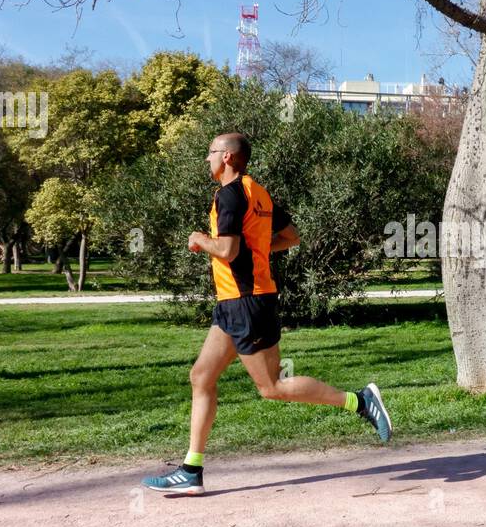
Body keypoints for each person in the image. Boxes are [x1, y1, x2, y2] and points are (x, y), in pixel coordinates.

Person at [142, 132, 392, 496]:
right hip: (233, 302)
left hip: (247, 302)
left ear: (227, 157)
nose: (207, 159)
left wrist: (200, 240)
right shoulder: (257, 192)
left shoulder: (228, 195)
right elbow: (291, 236)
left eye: (210, 152)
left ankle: (359, 401)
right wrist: (255, 250)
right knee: (201, 376)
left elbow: (227, 250)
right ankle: (191, 470)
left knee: (271, 387)